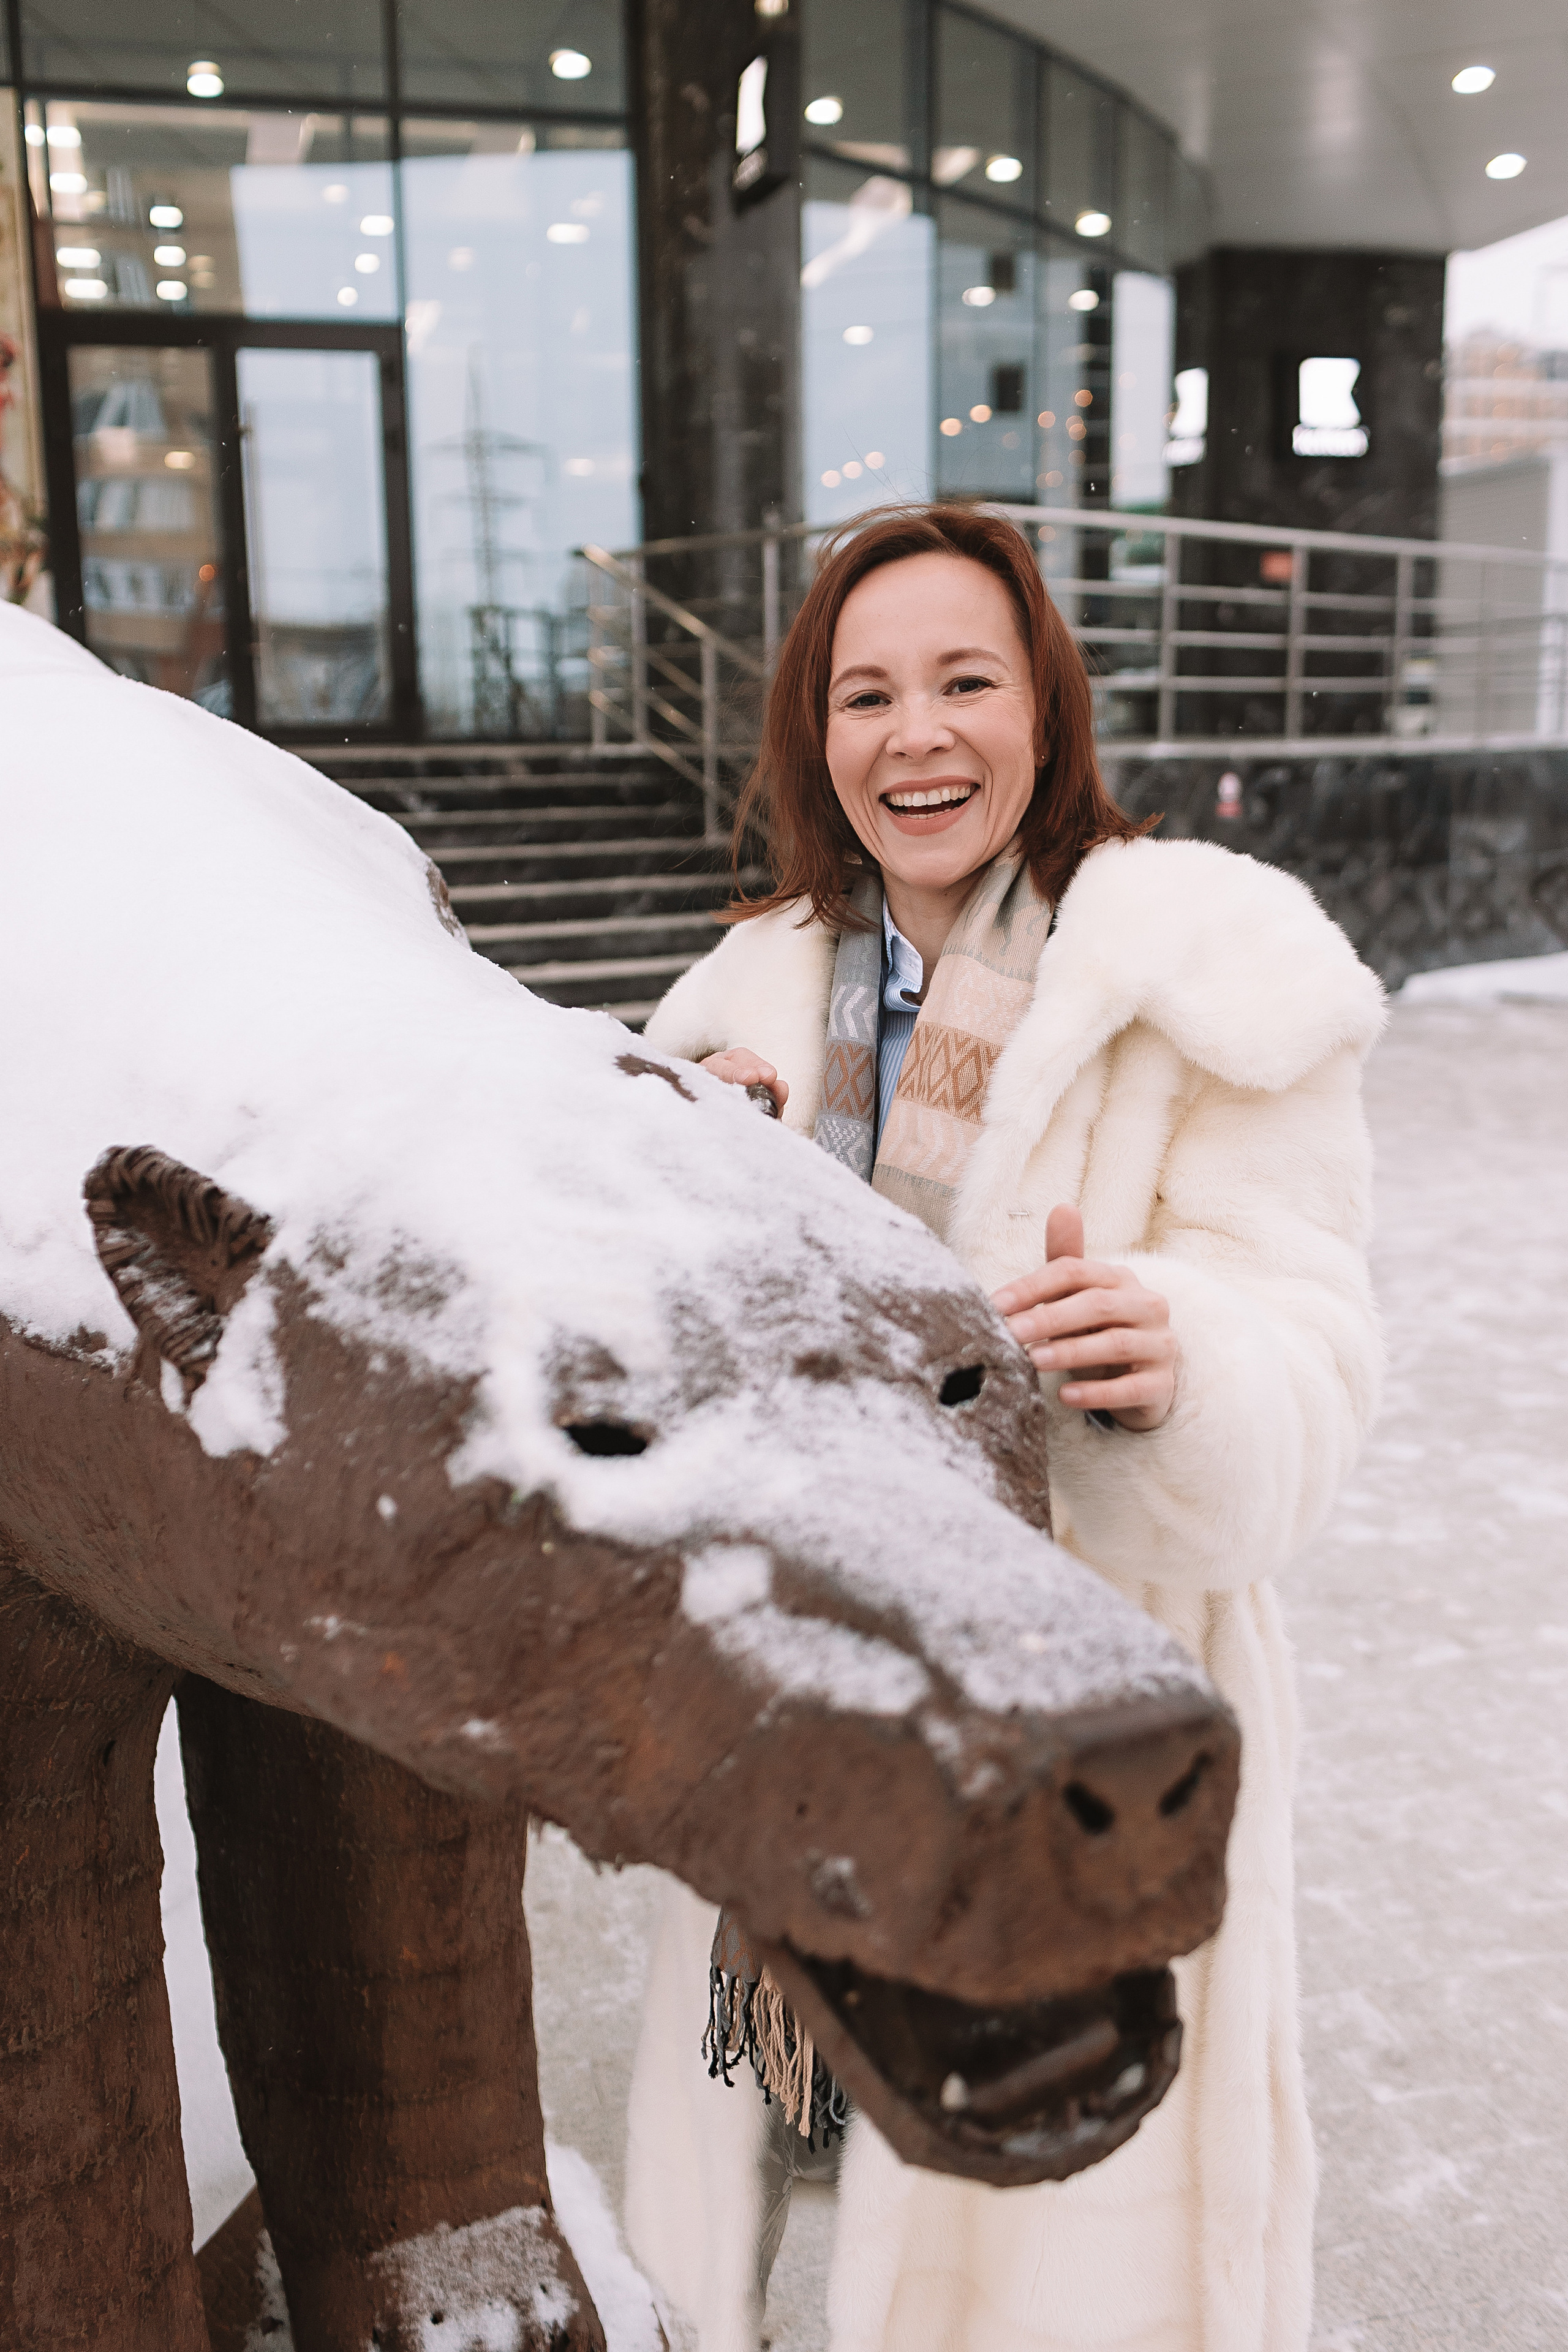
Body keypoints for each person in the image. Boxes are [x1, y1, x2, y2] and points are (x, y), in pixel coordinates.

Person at [624, 503, 1385, 2352]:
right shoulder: (746, 997)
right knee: (769, 2168)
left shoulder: (1204, 977)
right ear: (816, 733)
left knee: (1049, 2247)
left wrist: (1175, 1355)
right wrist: (688, 1182)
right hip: (805, 1699)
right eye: (866, 694)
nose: (918, 735)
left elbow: (1320, 1348)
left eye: (967, 680)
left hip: (1084, 1711)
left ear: (1044, 705)